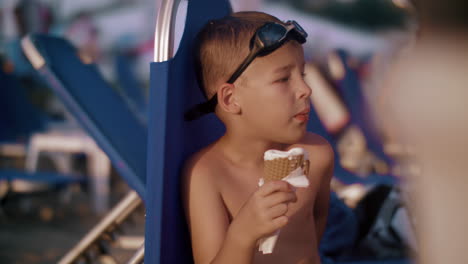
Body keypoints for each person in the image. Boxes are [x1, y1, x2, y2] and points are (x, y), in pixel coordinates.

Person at [182, 12, 333, 264]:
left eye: (302, 75)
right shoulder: (207, 174)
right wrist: (242, 234)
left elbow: (316, 220)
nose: (306, 89)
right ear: (231, 99)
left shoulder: (316, 155)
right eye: (283, 78)